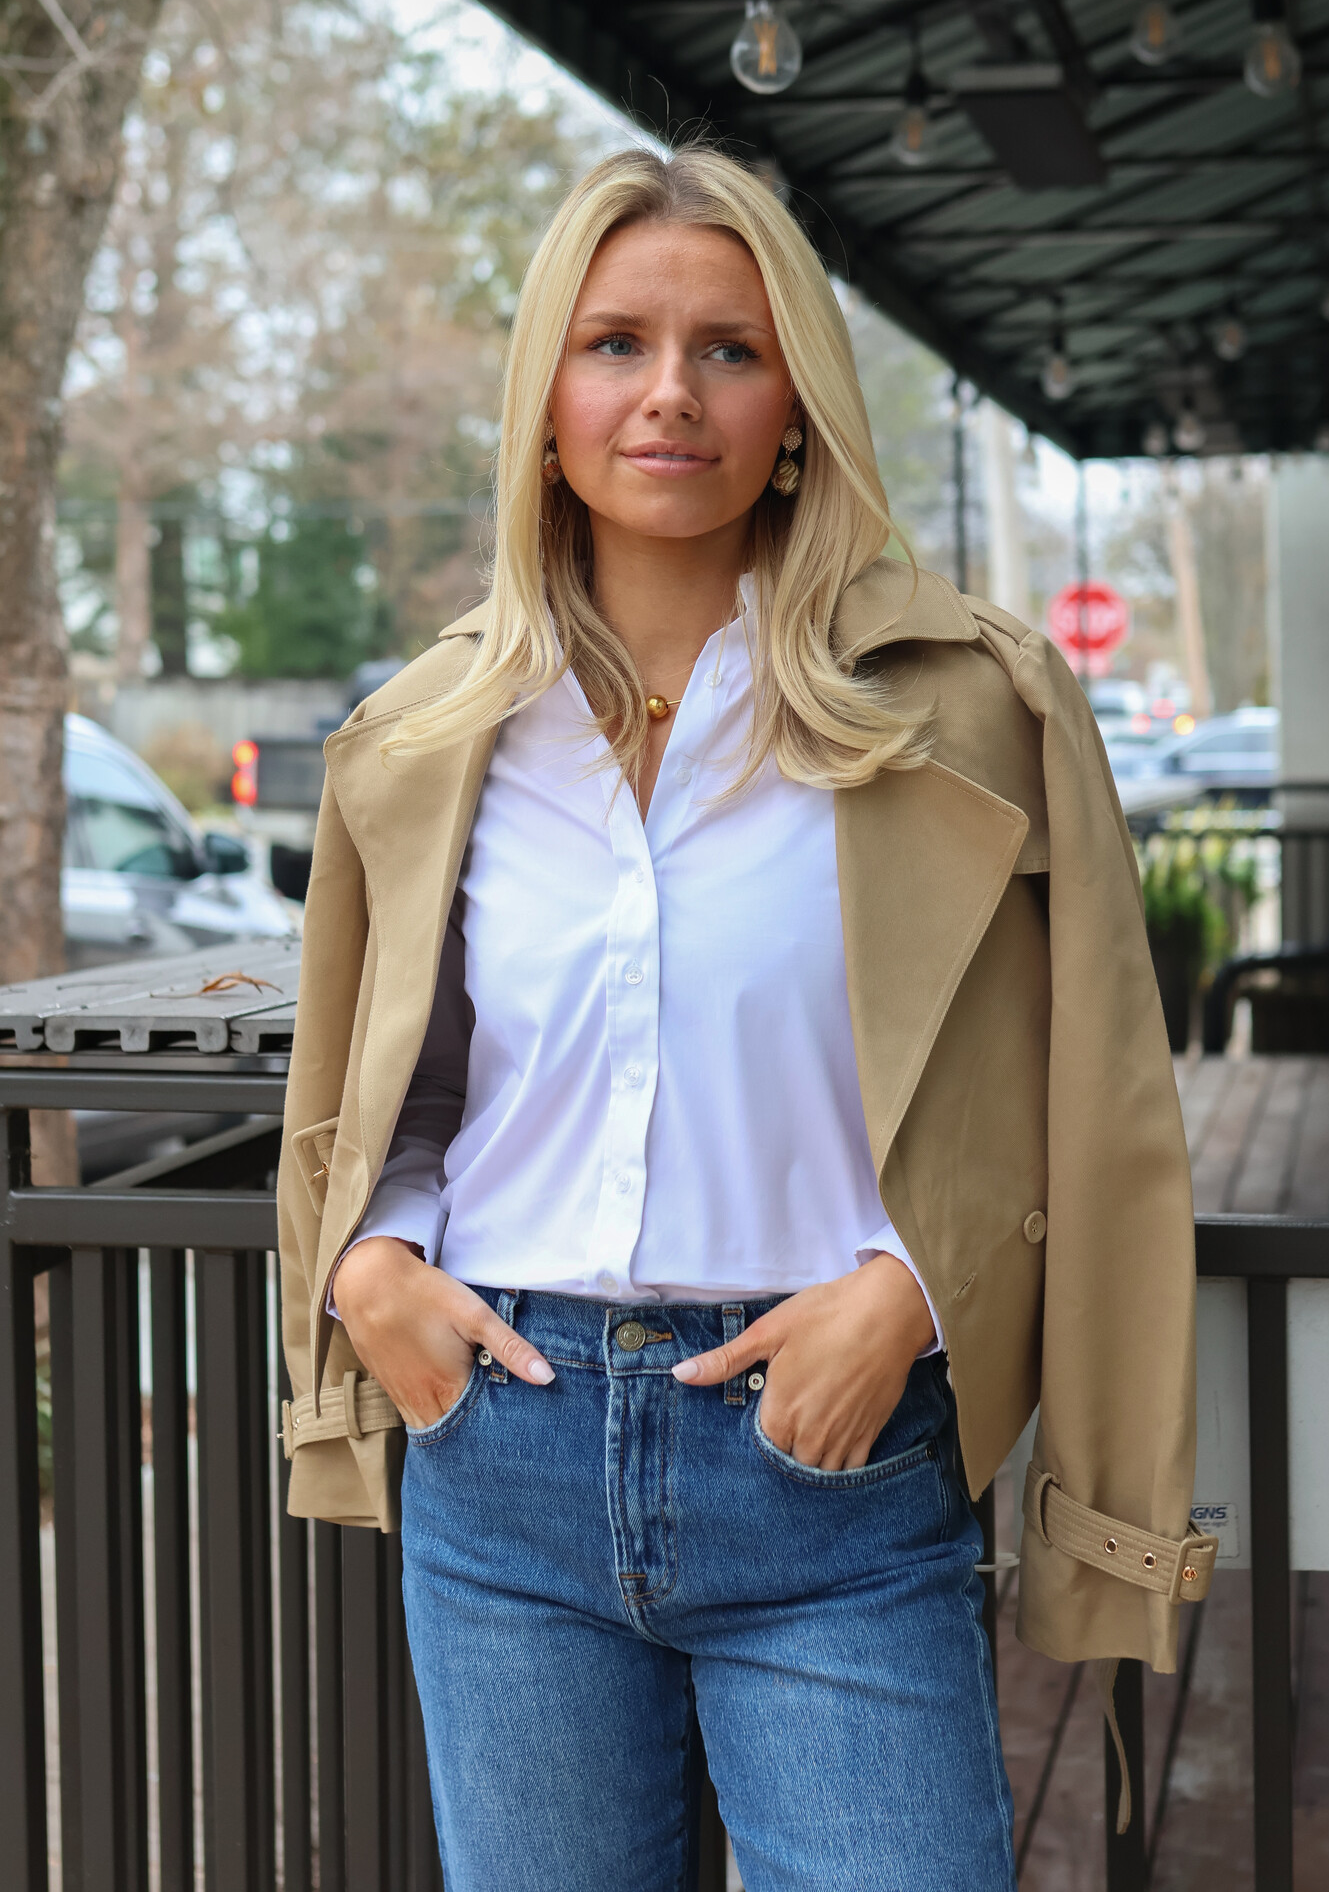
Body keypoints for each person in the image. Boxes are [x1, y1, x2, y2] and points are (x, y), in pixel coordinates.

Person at [277, 146, 1214, 1892]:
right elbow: (395, 1090)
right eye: (613, 344)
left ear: (795, 405)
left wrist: (909, 1290)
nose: (669, 396)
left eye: (728, 348)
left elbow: (1087, 1099)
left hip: (830, 1462)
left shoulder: (970, 706)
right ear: (544, 398)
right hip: (502, 1459)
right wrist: (371, 1269)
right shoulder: (423, 735)